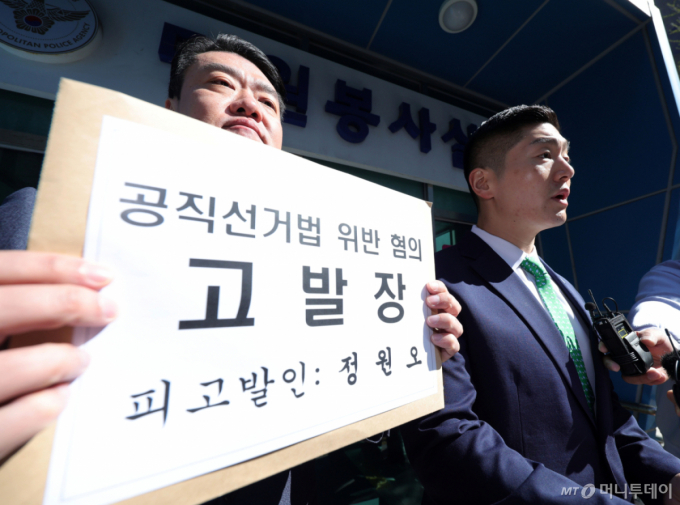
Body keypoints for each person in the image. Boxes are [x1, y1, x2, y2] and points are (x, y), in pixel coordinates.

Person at [0, 34, 464, 500]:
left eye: (269, 102)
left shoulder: (318, 255)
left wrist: (409, 354)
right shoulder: (53, 220)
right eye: (221, 84)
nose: (249, 105)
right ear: (170, 108)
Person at [401, 105, 680, 504]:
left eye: (567, 155)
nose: (567, 170)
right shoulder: (435, 283)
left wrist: (669, 480)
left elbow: (606, 419)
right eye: (545, 155)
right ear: (483, 182)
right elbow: (447, 439)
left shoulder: (563, 289)